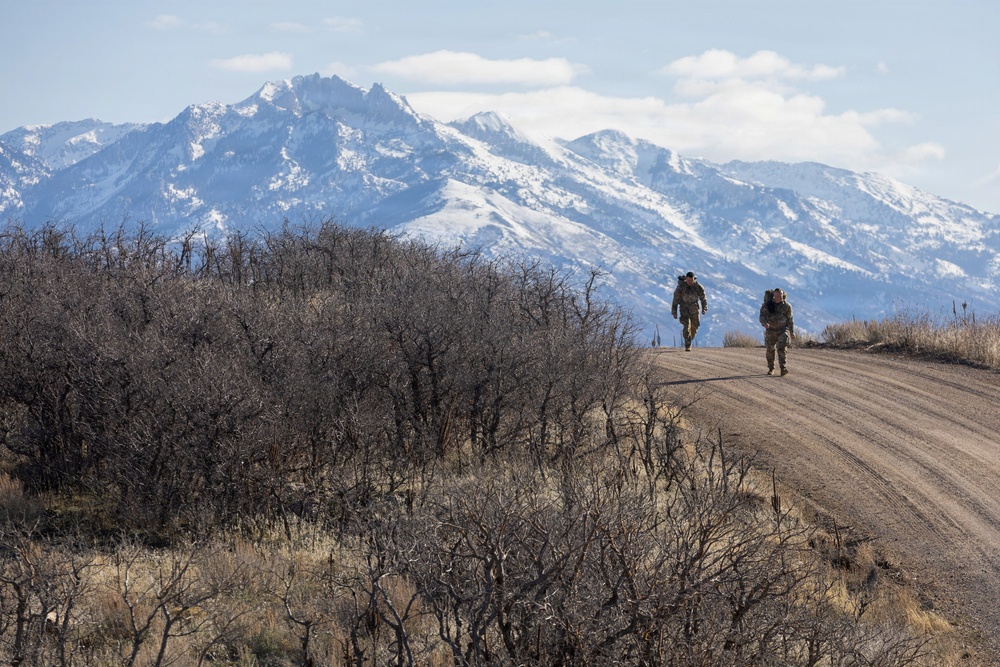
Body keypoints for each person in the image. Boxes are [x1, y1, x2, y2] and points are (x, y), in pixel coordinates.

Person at [759, 288, 795, 375]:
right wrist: (764, 323)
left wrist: (792, 332)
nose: (779, 297)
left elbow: (790, 320)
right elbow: (762, 316)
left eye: (780, 295)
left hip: (783, 330)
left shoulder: (787, 306)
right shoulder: (767, 305)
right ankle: (771, 368)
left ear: (783, 295)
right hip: (770, 331)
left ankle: (783, 368)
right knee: (770, 350)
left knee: (782, 348)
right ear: (774, 296)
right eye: (777, 295)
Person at [671, 271, 708, 351]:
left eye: (691, 280)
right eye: (688, 280)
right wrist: (674, 312)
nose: (690, 282)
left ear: (694, 279)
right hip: (684, 309)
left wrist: (704, 308)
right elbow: (675, 300)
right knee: (687, 326)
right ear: (686, 279)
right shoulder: (681, 287)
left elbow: (703, 298)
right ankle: (688, 345)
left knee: (695, 326)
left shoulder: (698, 287)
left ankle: (690, 338)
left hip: (694, 309)